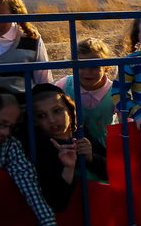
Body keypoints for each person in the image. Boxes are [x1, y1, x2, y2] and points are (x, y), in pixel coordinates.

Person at [0, 88, 77, 226]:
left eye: (10, 127)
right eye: (1, 123)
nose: (5, 132)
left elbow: (30, 188)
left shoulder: (9, 146)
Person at [28, 83, 102, 211]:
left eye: (57, 111)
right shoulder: (39, 148)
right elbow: (56, 203)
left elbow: (114, 171)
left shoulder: (80, 133)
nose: (52, 120)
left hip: (100, 205)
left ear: (69, 109)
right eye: (42, 115)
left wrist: (91, 157)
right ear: (35, 121)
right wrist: (68, 168)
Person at [53, 36, 115, 163]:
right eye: (81, 66)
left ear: (106, 67)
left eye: (94, 67)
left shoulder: (114, 91)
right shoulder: (63, 86)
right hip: (70, 146)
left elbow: (125, 121)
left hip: (102, 149)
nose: (87, 72)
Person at [0, 0, 50, 95]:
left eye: (0, 19)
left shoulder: (30, 39)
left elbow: (44, 85)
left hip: (23, 105)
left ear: (14, 12)